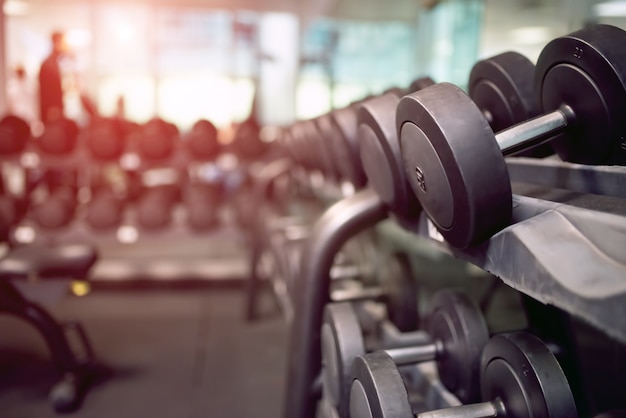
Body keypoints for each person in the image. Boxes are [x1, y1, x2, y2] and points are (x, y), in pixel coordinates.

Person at [38, 31, 69, 123]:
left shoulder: (58, 62)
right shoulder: (49, 65)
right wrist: (52, 110)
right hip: (53, 113)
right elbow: (47, 92)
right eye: (64, 42)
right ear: (57, 43)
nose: (66, 45)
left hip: (57, 111)